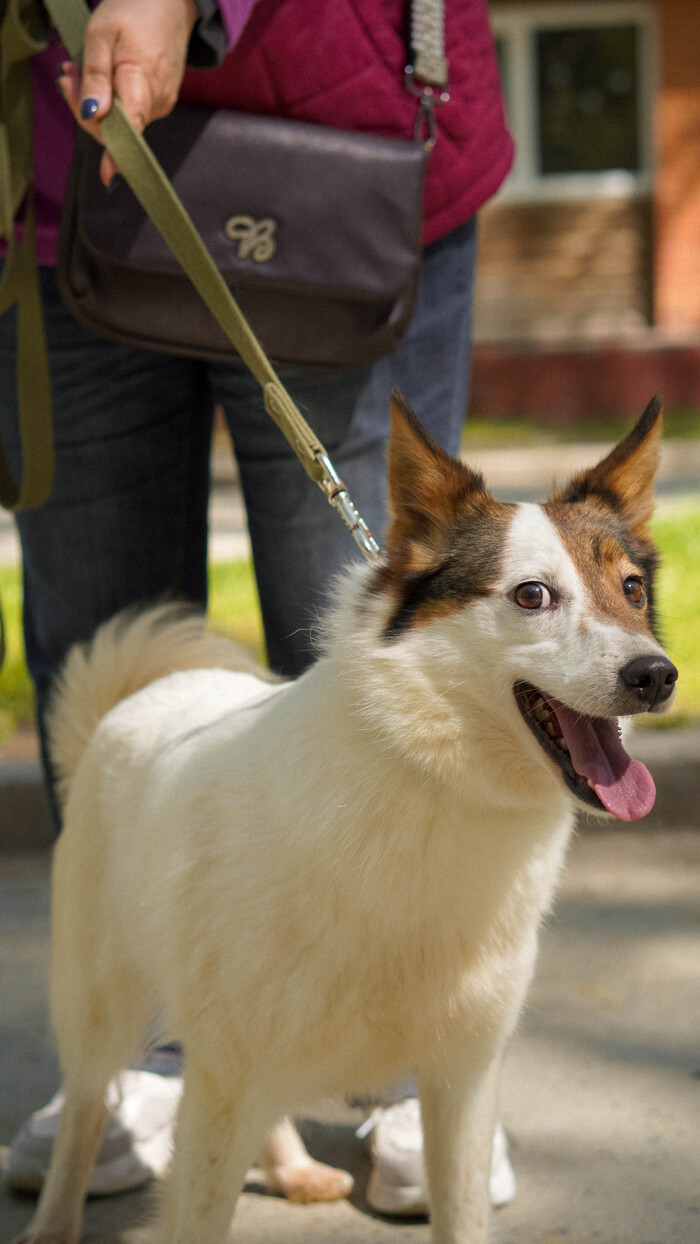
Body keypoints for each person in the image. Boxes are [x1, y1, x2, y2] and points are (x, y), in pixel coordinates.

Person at [1, 0, 516, 1217]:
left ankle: (417, 1063)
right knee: (108, 659)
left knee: (380, 669)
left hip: (356, 143)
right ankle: (163, 1039)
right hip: (73, 174)